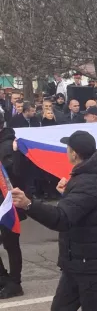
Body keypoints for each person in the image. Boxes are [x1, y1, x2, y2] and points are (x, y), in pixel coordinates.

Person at [11, 130, 97, 311]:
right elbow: (81, 208)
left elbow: (62, 218)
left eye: (67, 148)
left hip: (92, 264)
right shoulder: (86, 177)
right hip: (77, 262)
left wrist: (29, 204)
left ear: (75, 153)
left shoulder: (89, 182)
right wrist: (67, 192)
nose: (65, 151)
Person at [0, 115, 27, 299]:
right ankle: (3, 279)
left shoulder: (9, 144)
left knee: (11, 243)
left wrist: (13, 156)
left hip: (8, 202)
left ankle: (15, 283)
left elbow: (14, 170)